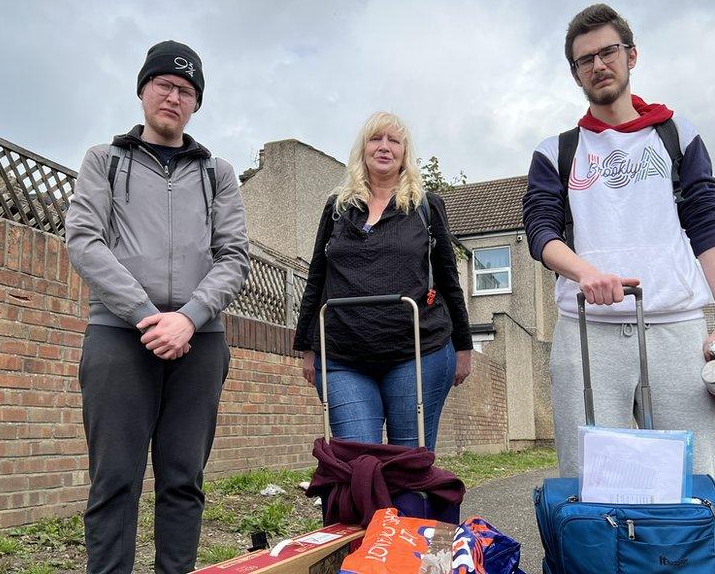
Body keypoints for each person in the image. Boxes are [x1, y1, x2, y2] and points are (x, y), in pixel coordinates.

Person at [522, 4, 715, 479]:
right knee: (591, 479)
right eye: (585, 60)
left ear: (631, 55)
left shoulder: (677, 134)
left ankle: (683, 556)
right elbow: (540, 232)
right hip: (586, 333)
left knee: (692, 474)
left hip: (677, 327)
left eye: (608, 52)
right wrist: (584, 272)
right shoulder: (556, 150)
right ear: (576, 74)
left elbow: (706, 225)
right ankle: (597, 557)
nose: (598, 65)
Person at [65, 40, 249, 574]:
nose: (173, 96)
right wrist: (149, 315)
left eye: (186, 90)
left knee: (183, 480)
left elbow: (233, 256)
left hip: (201, 341)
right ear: (144, 90)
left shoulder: (218, 173)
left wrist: (188, 318)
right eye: (164, 85)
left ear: (196, 104)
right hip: (119, 336)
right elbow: (84, 241)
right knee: (114, 481)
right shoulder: (104, 161)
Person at [293, 111, 473, 452]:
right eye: (376, 139)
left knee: (409, 463)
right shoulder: (337, 207)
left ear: (405, 151)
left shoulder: (426, 206)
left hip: (419, 353)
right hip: (343, 356)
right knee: (360, 461)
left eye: (394, 140)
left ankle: (408, 509)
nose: (384, 147)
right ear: (362, 149)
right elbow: (317, 274)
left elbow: (449, 279)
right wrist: (306, 347)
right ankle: (369, 508)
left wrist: (463, 347)